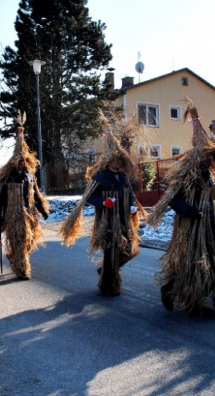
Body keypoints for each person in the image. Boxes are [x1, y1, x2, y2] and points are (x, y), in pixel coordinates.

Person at [147, 100, 215, 317]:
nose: (210, 159)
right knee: (190, 263)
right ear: (200, 154)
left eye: (212, 156)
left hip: (208, 227)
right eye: (207, 155)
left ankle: (204, 292)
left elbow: (212, 203)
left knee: (210, 260)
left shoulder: (211, 176)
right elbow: (172, 199)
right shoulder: (186, 174)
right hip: (190, 227)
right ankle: (170, 290)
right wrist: (188, 210)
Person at [60, 112, 141, 296]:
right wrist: (103, 202)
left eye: (120, 159)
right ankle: (109, 285)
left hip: (123, 220)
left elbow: (128, 194)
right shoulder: (100, 177)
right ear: (110, 160)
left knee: (127, 249)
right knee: (111, 251)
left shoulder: (124, 178)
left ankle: (106, 270)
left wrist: (132, 205)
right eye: (116, 159)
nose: (118, 161)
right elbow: (88, 197)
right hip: (106, 221)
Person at [0, 115, 49, 281]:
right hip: (13, 214)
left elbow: (35, 195)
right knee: (18, 240)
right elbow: (1, 198)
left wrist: (42, 210)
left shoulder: (29, 176)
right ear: (14, 162)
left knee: (28, 241)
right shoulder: (8, 178)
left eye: (23, 161)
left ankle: (14, 257)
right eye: (19, 161)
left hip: (28, 214)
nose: (21, 164)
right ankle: (22, 269)